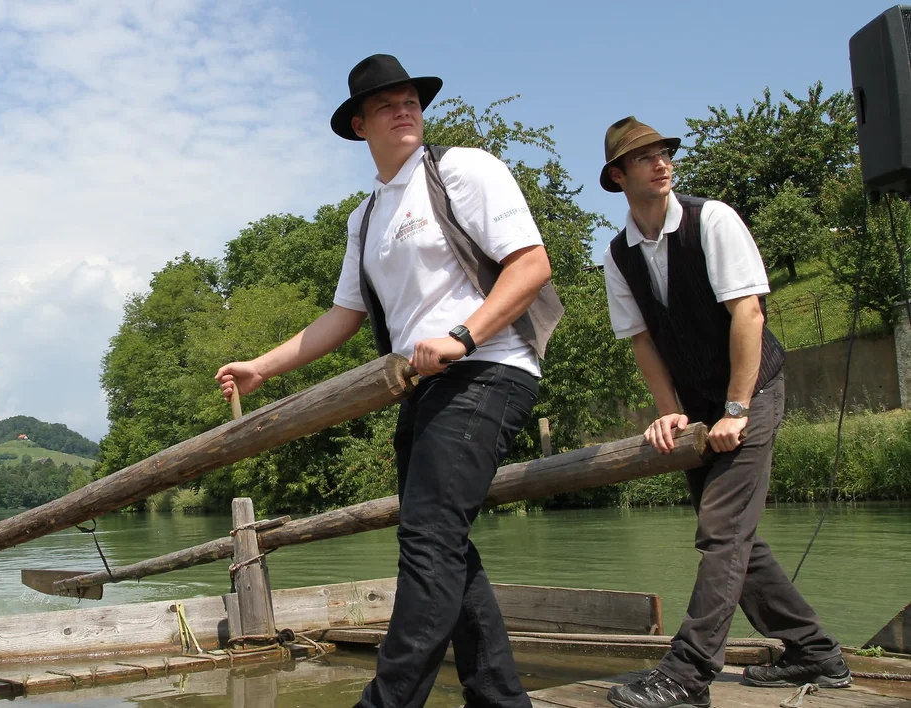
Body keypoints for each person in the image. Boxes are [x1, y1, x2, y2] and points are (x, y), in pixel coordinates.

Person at [216, 54, 560, 708]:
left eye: (411, 102)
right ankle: (499, 699)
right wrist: (262, 365)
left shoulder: (464, 170)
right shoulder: (367, 217)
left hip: (488, 369)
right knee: (443, 544)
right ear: (359, 125)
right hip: (421, 388)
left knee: (429, 542)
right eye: (386, 105)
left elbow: (531, 265)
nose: (404, 112)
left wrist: (463, 337)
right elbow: (343, 316)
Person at [597, 116, 850, 708]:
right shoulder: (617, 254)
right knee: (736, 538)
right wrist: (672, 413)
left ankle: (688, 673)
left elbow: (749, 314)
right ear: (618, 176)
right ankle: (814, 651)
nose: (662, 163)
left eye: (665, 152)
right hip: (699, 406)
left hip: (752, 391)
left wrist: (736, 408)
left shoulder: (712, 219)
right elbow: (643, 341)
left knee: (722, 531)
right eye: (645, 157)